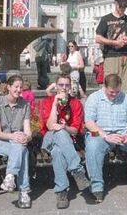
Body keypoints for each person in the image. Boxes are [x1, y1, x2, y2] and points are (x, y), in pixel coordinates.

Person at [84, 74, 127, 203]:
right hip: (99, 133)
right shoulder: (94, 98)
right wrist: (106, 136)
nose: (115, 95)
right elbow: (89, 122)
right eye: (111, 92)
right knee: (92, 145)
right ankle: (97, 186)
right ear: (104, 87)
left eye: (117, 91)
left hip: (122, 132)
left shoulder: (125, 98)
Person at [39, 74, 89, 209]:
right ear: (56, 86)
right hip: (49, 139)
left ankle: (61, 192)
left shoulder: (76, 103)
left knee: (58, 151)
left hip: (67, 142)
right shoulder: (48, 101)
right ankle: (77, 170)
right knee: (58, 133)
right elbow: (49, 126)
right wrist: (55, 103)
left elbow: (75, 130)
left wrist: (64, 127)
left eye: (67, 85)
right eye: (61, 85)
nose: (64, 88)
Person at [0, 75, 32, 208]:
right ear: (8, 87)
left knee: (21, 148)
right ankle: (24, 191)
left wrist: (27, 137)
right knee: (21, 149)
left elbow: (28, 130)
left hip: (16, 142)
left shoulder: (25, 105)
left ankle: (9, 178)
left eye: (21, 87)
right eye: (16, 87)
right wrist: (14, 137)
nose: (19, 90)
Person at [95, 0, 127, 97]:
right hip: (111, 56)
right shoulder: (106, 19)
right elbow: (98, 38)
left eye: (125, 6)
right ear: (115, 3)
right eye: (121, 5)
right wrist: (115, 42)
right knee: (111, 87)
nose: (122, 8)